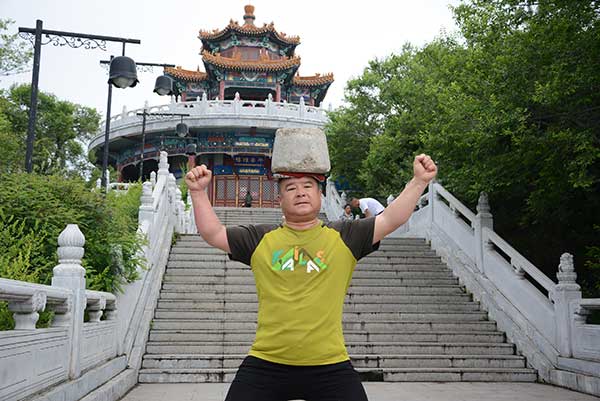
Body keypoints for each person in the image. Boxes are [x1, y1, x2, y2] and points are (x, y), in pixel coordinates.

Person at [185, 154, 437, 401]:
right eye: (291, 188)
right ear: (280, 199)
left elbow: (392, 218)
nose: (301, 192)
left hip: (330, 365)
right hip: (267, 363)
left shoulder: (346, 236)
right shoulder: (259, 239)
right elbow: (214, 233)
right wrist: (198, 192)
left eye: (308, 186)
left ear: (319, 195)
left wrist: (418, 181)